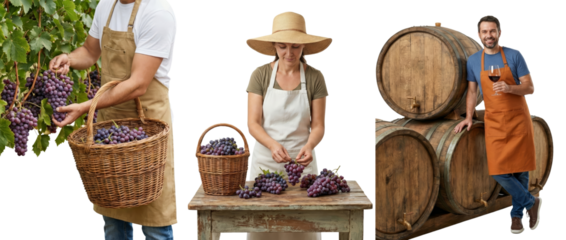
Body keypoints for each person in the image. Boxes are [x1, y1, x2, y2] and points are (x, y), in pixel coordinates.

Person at [48, 0, 177, 239]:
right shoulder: (106, 6)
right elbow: (89, 51)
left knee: (155, 224)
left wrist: (87, 107)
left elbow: (138, 84)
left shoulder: (158, 11)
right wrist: (69, 58)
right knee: (114, 220)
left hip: (147, 128)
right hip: (111, 127)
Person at [241, 11, 332, 240]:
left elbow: (319, 125)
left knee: (302, 231)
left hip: (303, 169)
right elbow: (253, 123)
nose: (289, 53)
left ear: (303, 46)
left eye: (295, 47)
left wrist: (310, 146)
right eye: (282, 46)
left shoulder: (315, 77)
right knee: (262, 231)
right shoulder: (259, 75)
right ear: (274, 46)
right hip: (264, 166)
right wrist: (272, 145)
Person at [454, 15, 542, 235]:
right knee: (498, 172)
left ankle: (515, 216)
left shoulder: (515, 56)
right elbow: (472, 91)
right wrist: (468, 117)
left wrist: (510, 88)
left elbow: (530, 88)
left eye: (492, 31)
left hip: (517, 118)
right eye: (484, 32)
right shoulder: (474, 61)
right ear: (478, 35)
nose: (489, 35)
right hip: (493, 120)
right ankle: (531, 202)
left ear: (500, 33)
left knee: (521, 170)